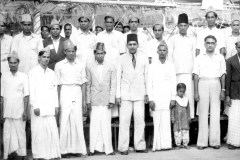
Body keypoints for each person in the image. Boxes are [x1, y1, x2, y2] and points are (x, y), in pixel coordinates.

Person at [55, 39, 87, 158]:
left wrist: (84, 100)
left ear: (75, 52)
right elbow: (57, 84)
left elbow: (83, 83)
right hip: (64, 91)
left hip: (76, 92)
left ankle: (77, 149)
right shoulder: (59, 65)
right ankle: (63, 150)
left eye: (73, 51)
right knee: (64, 119)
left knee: (77, 119)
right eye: (68, 51)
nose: (71, 53)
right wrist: (57, 101)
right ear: (64, 52)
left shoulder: (80, 64)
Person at [117, 34, 149, 155]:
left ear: (138, 45)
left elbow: (146, 76)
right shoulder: (121, 58)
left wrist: (147, 93)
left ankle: (140, 145)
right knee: (124, 121)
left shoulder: (144, 57)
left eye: (134, 44)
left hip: (140, 94)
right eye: (130, 44)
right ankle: (123, 147)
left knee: (140, 120)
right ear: (126, 46)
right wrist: (118, 95)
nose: (132, 47)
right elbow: (118, 77)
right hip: (125, 94)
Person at [193, 35, 226, 150]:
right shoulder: (199, 57)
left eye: (212, 43)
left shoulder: (220, 57)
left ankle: (215, 141)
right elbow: (196, 76)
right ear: (204, 44)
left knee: (215, 112)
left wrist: (223, 90)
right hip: (203, 83)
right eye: (208, 43)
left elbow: (222, 75)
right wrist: (196, 92)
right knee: (202, 113)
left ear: (216, 44)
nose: (210, 45)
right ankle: (202, 142)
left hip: (216, 83)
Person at [28, 48, 61, 160]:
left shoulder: (52, 73)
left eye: (48, 57)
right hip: (38, 107)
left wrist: (56, 105)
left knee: (51, 130)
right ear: (39, 58)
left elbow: (54, 90)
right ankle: (39, 155)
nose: (46, 59)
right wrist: (35, 106)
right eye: (44, 57)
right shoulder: (33, 72)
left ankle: (52, 154)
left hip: (50, 106)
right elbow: (31, 90)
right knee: (38, 131)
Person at [86, 42, 116, 156]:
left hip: (106, 99)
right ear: (94, 54)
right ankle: (92, 149)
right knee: (94, 125)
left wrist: (111, 100)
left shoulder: (110, 66)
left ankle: (109, 149)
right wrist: (88, 101)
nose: (100, 55)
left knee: (106, 124)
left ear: (105, 53)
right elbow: (88, 84)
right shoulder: (89, 65)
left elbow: (113, 84)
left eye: (102, 53)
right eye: (97, 53)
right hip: (94, 100)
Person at [148, 42, 176, 151]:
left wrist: (173, 98)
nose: (162, 52)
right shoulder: (152, 65)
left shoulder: (170, 65)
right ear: (157, 52)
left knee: (166, 122)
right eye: (160, 50)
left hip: (167, 97)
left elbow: (174, 82)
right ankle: (157, 145)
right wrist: (151, 99)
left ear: (167, 52)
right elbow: (149, 83)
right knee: (157, 121)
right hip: (156, 97)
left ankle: (166, 145)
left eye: (164, 50)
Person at [1, 51, 29, 160]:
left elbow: (26, 95)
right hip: (7, 111)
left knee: (20, 133)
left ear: (18, 63)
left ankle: (22, 154)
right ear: (8, 63)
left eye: (15, 62)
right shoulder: (4, 76)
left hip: (19, 110)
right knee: (7, 134)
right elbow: (2, 96)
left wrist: (25, 111)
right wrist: (2, 112)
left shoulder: (23, 76)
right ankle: (7, 154)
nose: (13, 65)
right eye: (10, 63)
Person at [97, 14, 125, 118]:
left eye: (111, 22)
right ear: (104, 23)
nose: (109, 24)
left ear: (114, 23)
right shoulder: (99, 35)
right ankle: (105, 114)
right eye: (107, 22)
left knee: (115, 88)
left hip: (116, 66)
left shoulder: (119, 35)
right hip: (103, 66)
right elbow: (98, 51)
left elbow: (122, 53)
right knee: (104, 88)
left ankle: (114, 116)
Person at [168, 13, 196, 119]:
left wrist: (194, 71)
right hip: (176, 71)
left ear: (188, 26)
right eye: (181, 25)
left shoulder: (192, 39)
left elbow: (194, 55)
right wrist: (171, 71)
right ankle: (177, 117)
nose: (183, 28)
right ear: (178, 26)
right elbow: (170, 56)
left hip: (189, 72)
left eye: (185, 25)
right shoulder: (173, 39)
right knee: (177, 94)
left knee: (189, 94)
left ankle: (190, 116)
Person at [225, 40, 240, 149]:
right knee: (234, 117)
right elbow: (228, 79)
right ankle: (233, 142)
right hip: (234, 91)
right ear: (236, 47)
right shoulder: (230, 61)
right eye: (239, 47)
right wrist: (227, 95)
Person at [171, 83, 191, 150]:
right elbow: (172, 110)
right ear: (177, 91)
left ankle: (185, 144)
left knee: (185, 131)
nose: (181, 93)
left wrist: (189, 117)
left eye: (183, 91)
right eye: (180, 91)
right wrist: (172, 118)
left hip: (185, 119)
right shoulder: (175, 100)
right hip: (177, 119)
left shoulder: (186, 100)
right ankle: (178, 145)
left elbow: (188, 109)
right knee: (177, 132)